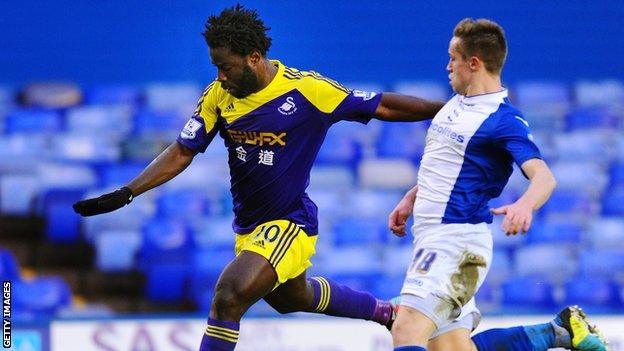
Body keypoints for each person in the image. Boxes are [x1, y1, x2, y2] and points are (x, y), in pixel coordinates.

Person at [73, 4, 445, 351]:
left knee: (229, 294)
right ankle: (387, 313)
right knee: (292, 299)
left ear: (254, 58)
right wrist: (128, 192)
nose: (220, 76)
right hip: (250, 228)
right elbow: (182, 150)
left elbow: (382, 105)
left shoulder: (307, 90)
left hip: (289, 223)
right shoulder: (219, 95)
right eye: (215, 67)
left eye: (227, 66)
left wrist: (449, 111)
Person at [386, 18, 608, 351]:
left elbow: (544, 176)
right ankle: (558, 331)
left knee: (406, 331)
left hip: (455, 242)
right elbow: (449, 167)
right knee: (451, 348)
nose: (447, 67)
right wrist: (412, 197)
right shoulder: (455, 105)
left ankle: (556, 331)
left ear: (473, 63)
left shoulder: (503, 119)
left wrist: (524, 204)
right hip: (433, 237)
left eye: (452, 58)